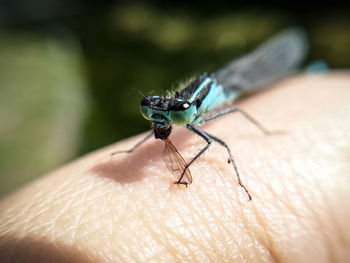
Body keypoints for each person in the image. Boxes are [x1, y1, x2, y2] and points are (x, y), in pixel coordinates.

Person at [0, 73, 349, 262]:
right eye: (156, 111)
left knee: (221, 138)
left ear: (187, 111)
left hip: (236, 82)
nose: (160, 117)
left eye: (171, 114)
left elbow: (213, 143)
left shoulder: (197, 111)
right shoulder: (169, 111)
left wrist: (185, 172)